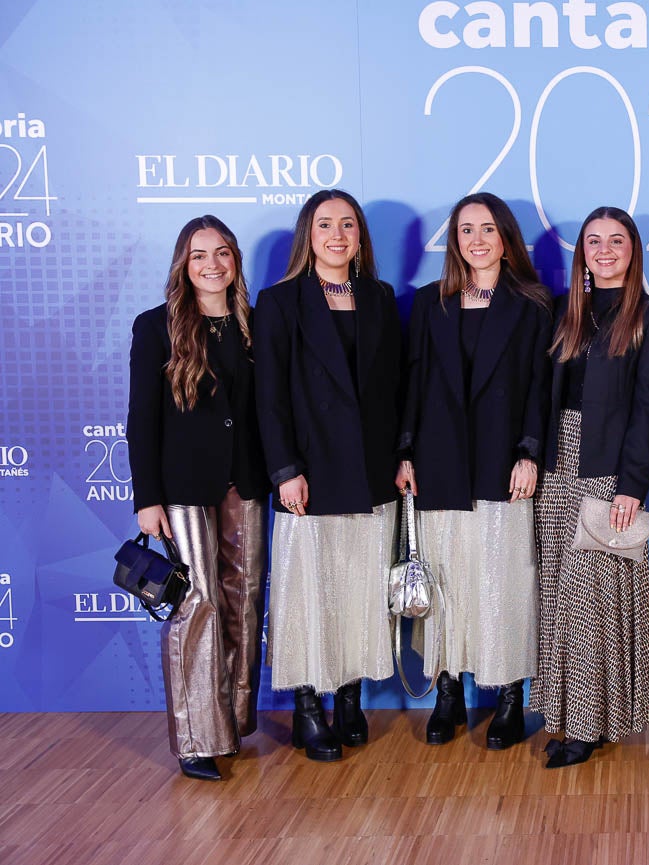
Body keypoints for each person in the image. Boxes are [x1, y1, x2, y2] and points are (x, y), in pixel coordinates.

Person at [397, 193, 552, 749]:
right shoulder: (428, 303)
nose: (477, 239)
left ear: (506, 237)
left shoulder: (533, 305)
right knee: (448, 586)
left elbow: (540, 387)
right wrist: (407, 451)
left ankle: (510, 696)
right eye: (466, 230)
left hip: (502, 464)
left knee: (504, 585)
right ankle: (449, 694)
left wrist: (530, 452)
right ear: (455, 241)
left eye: (488, 229)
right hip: (440, 465)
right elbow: (412, 383)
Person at [254, 189, 402, 763]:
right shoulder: (280, 302)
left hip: (369, 474)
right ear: (307, 236)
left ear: (360, 237)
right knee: (310, 593)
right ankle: (309, 707)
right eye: (325, 225)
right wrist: (285, 470)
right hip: (309, 478)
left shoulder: (381, 299)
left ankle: (348, 696)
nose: (337, 235)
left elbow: (393, 390)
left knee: (359, 591)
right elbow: (270, 398)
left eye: (348, 225)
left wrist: (401, 456)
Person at [127, 216, 269, 781]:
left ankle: (230, 724)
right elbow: (142, 418)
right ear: (183, 266)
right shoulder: (155, 327)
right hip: (183, 487)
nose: (212, 264)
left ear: (235, 262)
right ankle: (194, 737)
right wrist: (147, 497)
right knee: (199, 602)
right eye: (199, 255)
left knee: (245, 597)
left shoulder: (254, 326)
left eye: (223, 253)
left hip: (246, 482)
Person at [531, 206, 649, 768]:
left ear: (634, 250)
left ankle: (592, 724)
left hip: (608, 470)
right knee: (560, 600)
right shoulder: (566, 314)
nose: (605, 250)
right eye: (594, 241)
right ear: (582, 252)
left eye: (617, 240)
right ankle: (566, 714)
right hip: (556, 469)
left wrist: (631, 486)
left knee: (596, 602)